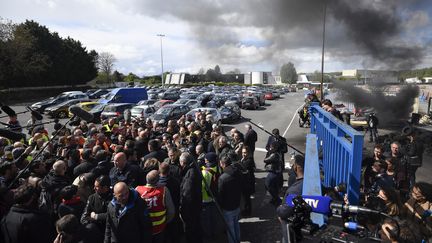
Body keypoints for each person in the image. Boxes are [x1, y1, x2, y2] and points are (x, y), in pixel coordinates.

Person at [136, 170, 175, 243]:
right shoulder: (164, 190)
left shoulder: (137, 190)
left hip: (142, 229)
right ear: (158, 180)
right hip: (159, 229)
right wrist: (165, 222)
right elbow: (171, 212)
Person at [179, 152, 203, 243]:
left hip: (191, 209)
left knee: (192, 230)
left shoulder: (190, 174)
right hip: (196, 206)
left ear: (183, 162)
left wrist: (183, 209)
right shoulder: (194, 169)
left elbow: (187, 194)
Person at [81, 175, 112, 243]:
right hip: (96, 231)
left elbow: (113, 215)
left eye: (97, 187)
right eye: (94, 186)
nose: (94, 188)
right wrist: (93, 222)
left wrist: (96, 216)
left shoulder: (114, 198)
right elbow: (84, 218)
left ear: (105, 188)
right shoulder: (92, 198)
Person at [218, 155, 242, 243]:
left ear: (223, 164)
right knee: (236, 224)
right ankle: (237, 240)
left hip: (228, 206)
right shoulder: (237, 171)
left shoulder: (223, 178)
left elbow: (220, 194)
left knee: (230, 228)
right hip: (236, 203)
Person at [264, 141, 283, 206]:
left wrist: (269, 153)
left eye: (271, 147)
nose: (270, 148)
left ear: (274, 148)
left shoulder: (274, 155)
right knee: (274, 186)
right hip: (276, 172)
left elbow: (265, 160)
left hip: (273, 172)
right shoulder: (278, 153)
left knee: (267, 184)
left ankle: (277, 199)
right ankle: (275, 198)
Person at [239, 146, 255, 216]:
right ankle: (246, 210)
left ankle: (247, 211)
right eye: (242, 152)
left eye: (245, 152)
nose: (243, 154)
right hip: (246, 182)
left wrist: (241, 162)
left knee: (246, 198)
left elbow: (242, 167)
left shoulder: (249, 161)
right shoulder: (245, 159)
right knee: (246, 198)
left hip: (248, 183)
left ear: (248, 153)